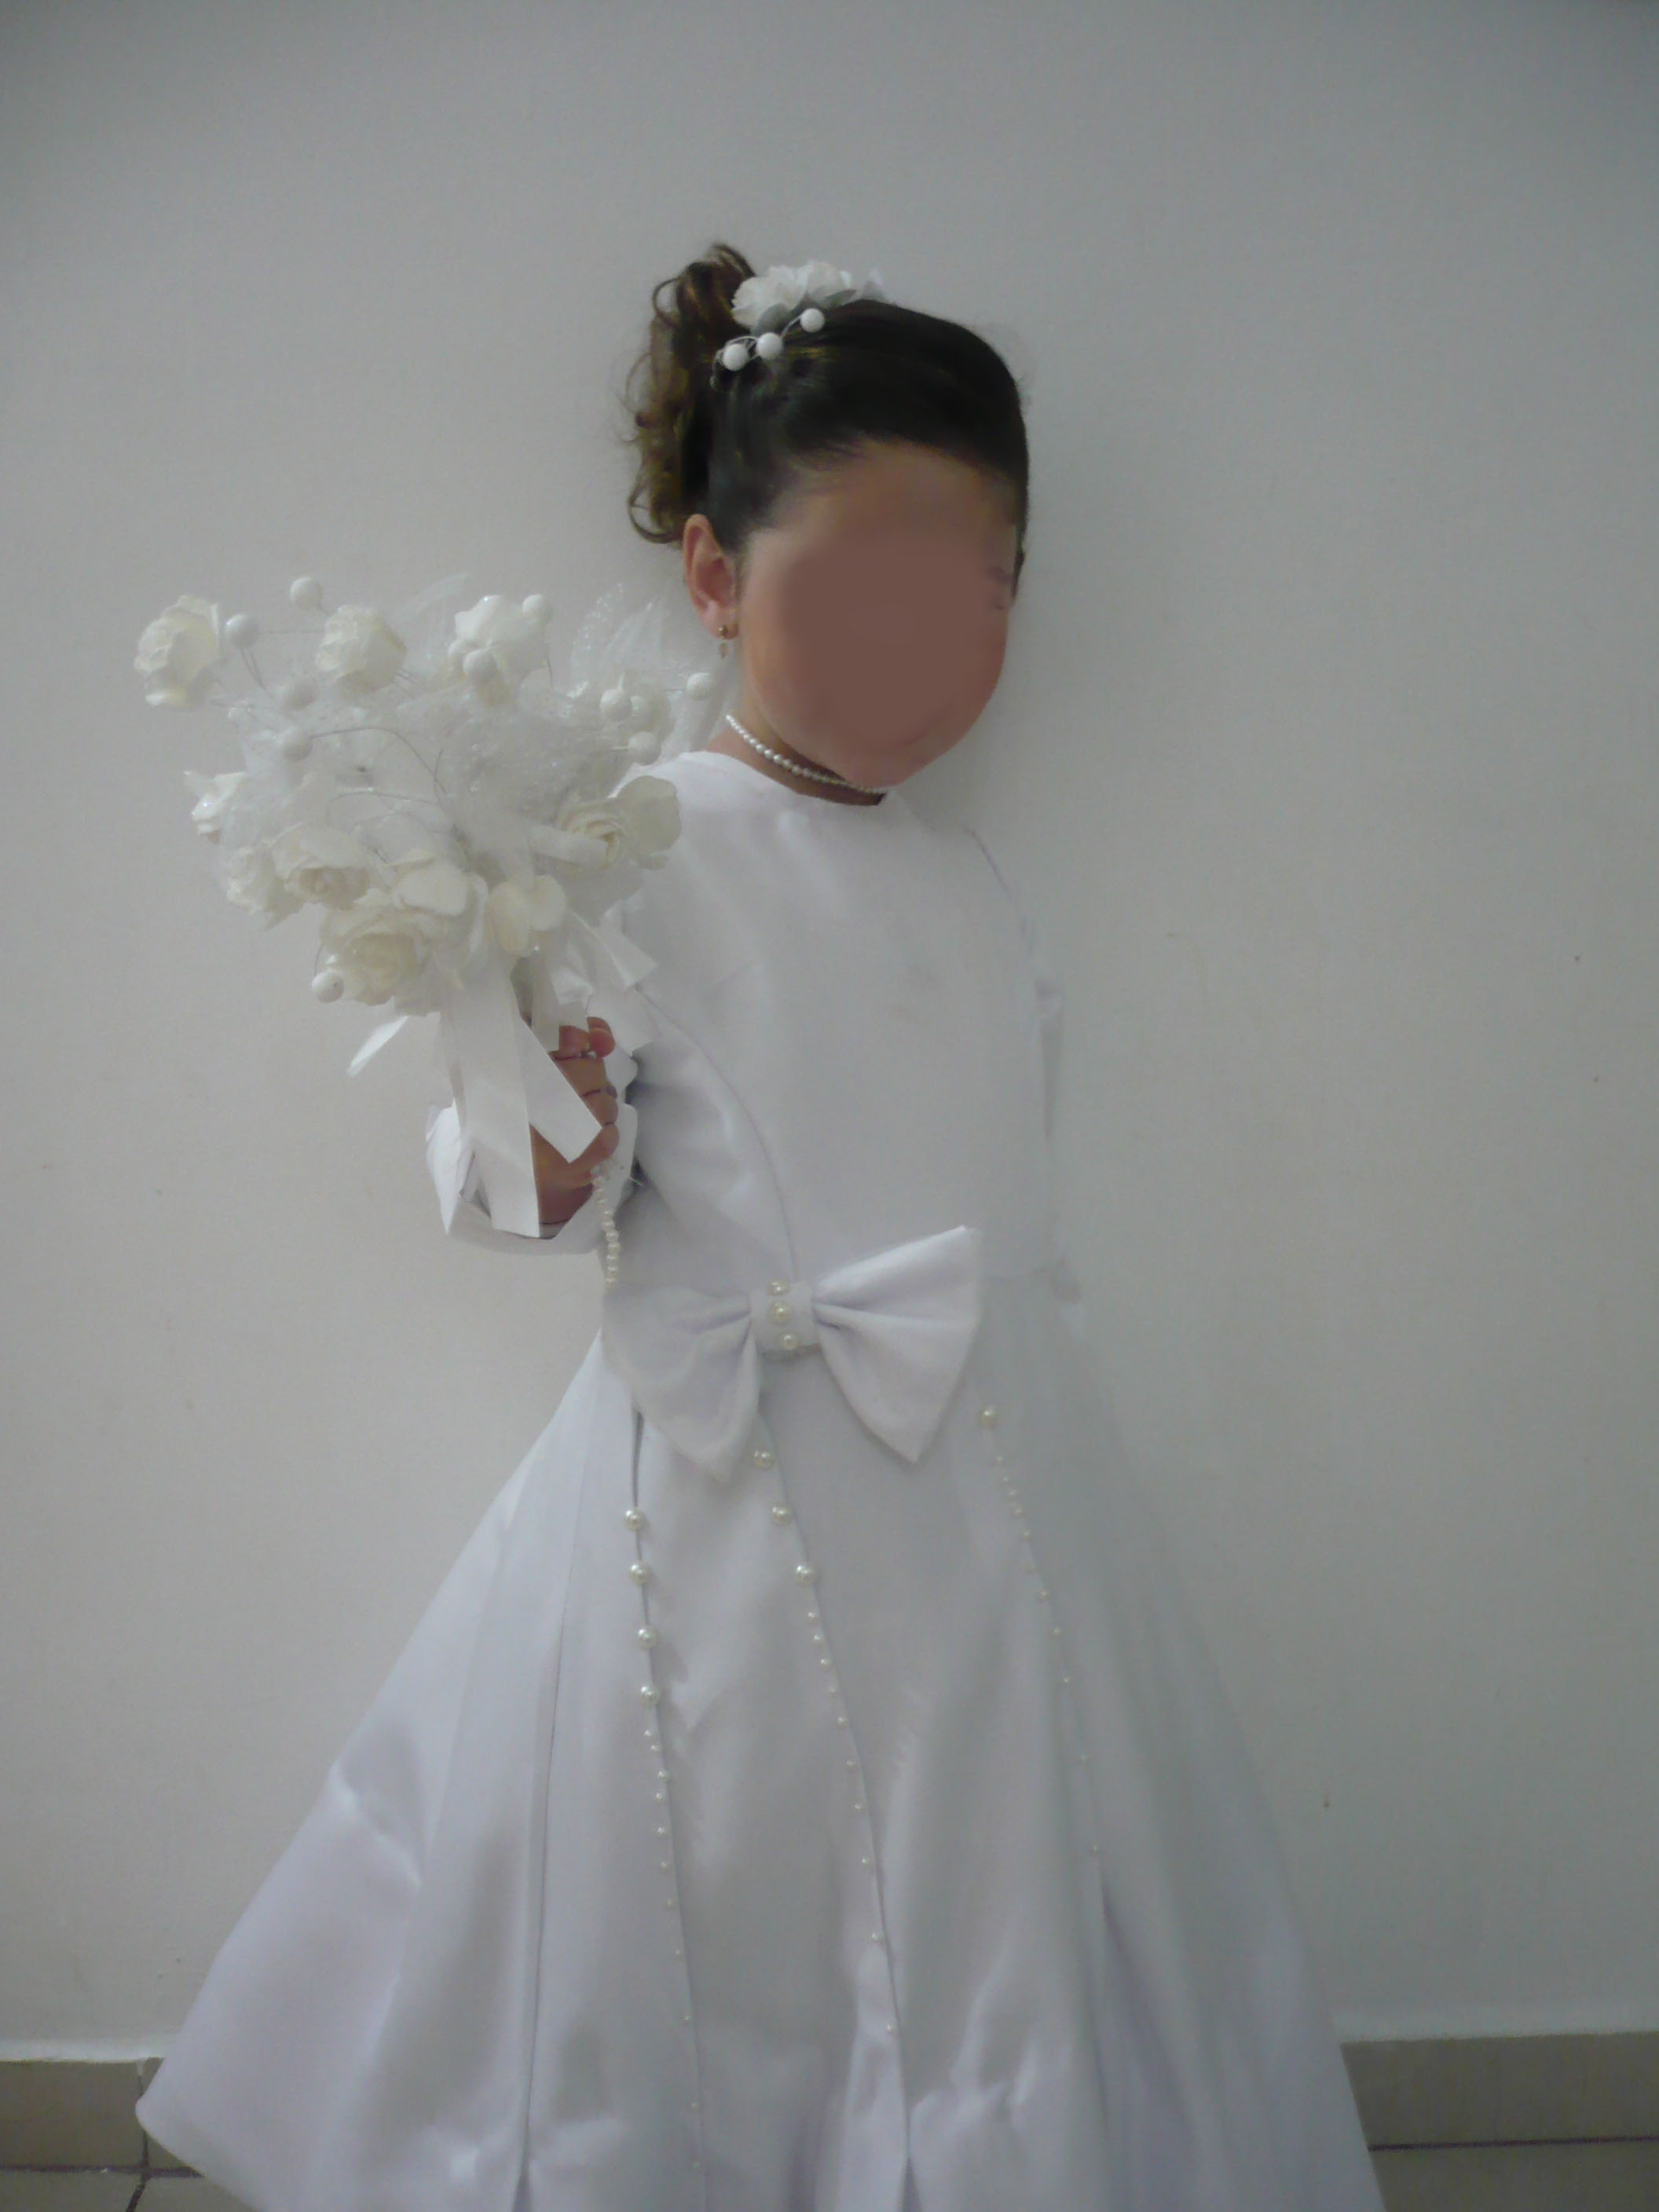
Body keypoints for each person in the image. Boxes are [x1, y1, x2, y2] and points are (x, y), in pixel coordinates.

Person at [135, 244, 1385, 2212]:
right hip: (713, 1499)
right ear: (715, 577)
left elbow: (1003, 1182)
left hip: (992, 1501)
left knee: (997, 1879)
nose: (928, 647)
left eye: (979, 594)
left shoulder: (974, 887)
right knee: (713, 1887)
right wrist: (548, 1109)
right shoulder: (624, 846)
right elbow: (521, 1183)